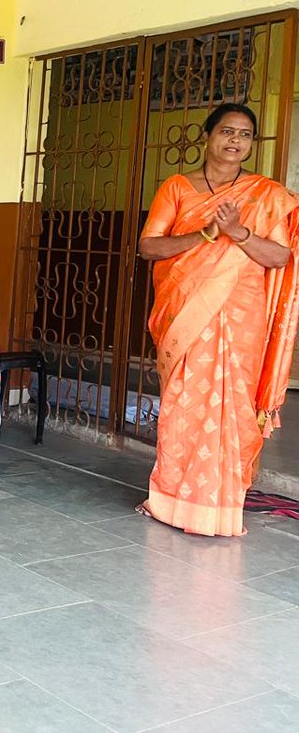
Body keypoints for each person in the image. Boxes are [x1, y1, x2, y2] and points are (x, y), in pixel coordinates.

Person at [137, 103, 299, 537]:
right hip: (187, 313)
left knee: (234, 409)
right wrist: (206, 234)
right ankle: (171, 500)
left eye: (245, 134)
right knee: (184, 405)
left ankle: (222, 506)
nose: (235, 141)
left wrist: (239, 233)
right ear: (207, 135)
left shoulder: (265, 195)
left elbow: (280, 256)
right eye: (227, 131)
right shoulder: (177, 188)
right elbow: (149, 246)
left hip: (242, 317)